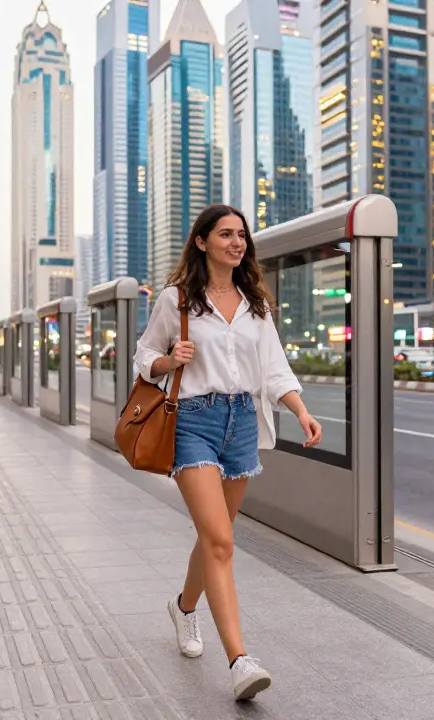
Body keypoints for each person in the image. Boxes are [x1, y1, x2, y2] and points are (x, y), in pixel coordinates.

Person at [133, 204, 323, 701]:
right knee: (219, 540)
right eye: (225, 235)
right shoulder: (178, 301)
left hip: (242, 423)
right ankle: (240, 660)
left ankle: (183, 607)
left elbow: (276, 367)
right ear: (202, 242)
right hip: (194, 421)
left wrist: (300, 410)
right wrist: (168, 359)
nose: (236, 243)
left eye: (241, 236)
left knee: (214, 536)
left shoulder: (255, 302)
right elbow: (143, 357)